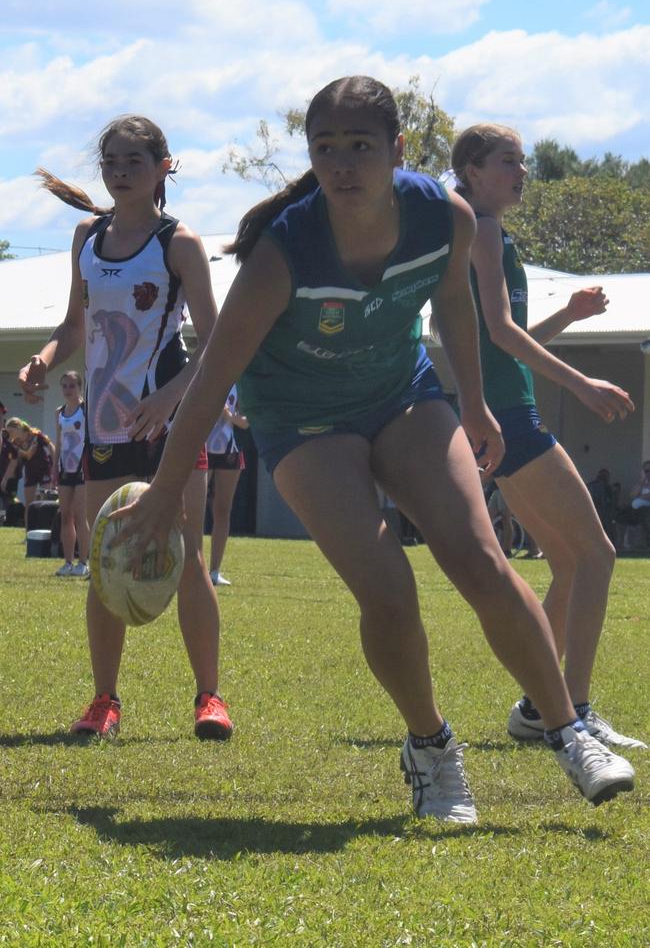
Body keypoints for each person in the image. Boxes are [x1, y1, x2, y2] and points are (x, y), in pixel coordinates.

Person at [111, 76, 635, 822]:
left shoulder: (443, 217)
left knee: (480, 559)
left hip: (401, 395)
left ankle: (566, 729)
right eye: (326, 148)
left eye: (360, 146)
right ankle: (430, 746)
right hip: (300, 416)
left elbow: (454, 301)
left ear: (397, 151)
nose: (342, 163)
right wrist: (165, 494)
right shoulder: (282, 253)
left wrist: (478, 404)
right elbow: (211, 381)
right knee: (389, 589)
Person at [18, 115, 232, 743]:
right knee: (106, 564)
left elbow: (217, 340)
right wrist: (44, 360)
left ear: (165, 167)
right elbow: (72, 328)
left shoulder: (179, 244)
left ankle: (209, 698)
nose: (120, 172)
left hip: (168, 426)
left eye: (134, 161)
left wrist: (169, 397)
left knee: (188, 558)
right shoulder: (86, 236)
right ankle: (104, 700)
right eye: (111, 161)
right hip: (107, 432)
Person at [451, 122, 646, 750]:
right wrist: (584, 385)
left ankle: (541, 706)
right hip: (510, 416)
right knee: (597, 556)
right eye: (509, 160)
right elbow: (503, 335)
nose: (522, 171)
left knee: (570, 563)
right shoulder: (479, 229)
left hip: (506, 410)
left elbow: (506, 336)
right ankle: (575, 709)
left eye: (524, 160)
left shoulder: (491, 233)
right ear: (473, 170)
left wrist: (568, 315)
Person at [206, 384, 249, 586]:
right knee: (190, 509)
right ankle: (189, 564)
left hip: (229, 450)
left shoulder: (241, 384)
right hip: (203, 448)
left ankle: (214, 571)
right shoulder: (206, 374)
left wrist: (228, 415)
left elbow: (246, 422)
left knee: (222, 509)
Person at [53, 371, 90, 577]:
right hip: (64, 468)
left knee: (80, 515)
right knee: (65, 515)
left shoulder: (86, 409)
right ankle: (68, 561)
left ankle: (83, 562)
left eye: (72, 386)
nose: (68, 390)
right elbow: (58, 441)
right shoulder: (59, 412)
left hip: (83, 467)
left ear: (79, 387)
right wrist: (54, 468)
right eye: (64, 386)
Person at [4, 417, 54, 534]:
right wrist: (6, 478)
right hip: (30, 473)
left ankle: (46, 532)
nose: (10, 435)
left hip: (44, 470)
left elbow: (51, 446)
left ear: (18, 427)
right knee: (29, 505)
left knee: (45, 501)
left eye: (11, 431)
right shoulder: (15, 443)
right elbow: (23, 457)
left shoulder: (36, 435)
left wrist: (55, 462)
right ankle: (28, 534)